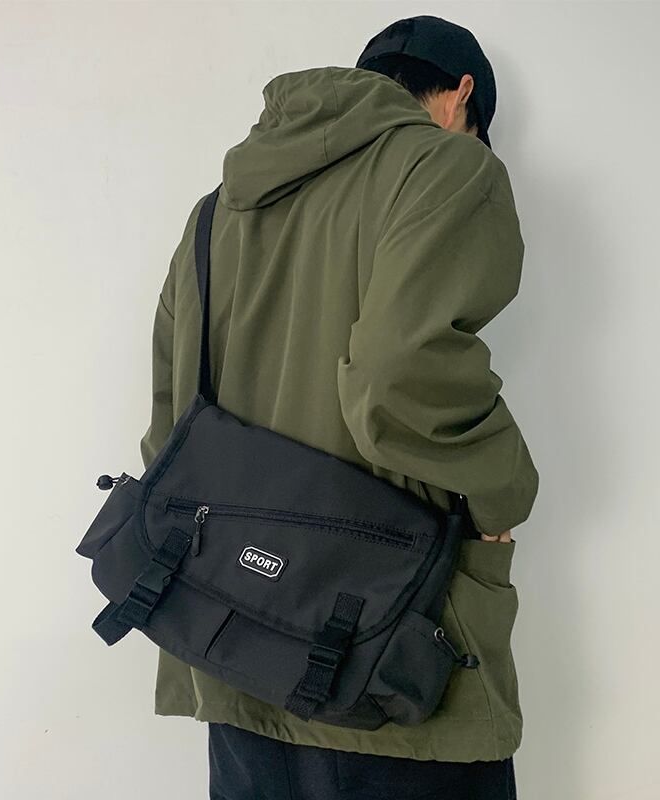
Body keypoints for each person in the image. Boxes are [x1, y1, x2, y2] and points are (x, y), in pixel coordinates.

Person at [139, 14, 539, 800]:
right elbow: (397, 377)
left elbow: (170, 425)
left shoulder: (216, 211)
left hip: (236, 649)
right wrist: (503, 490)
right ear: (461, 96)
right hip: (391, 655)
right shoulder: (447, 166)